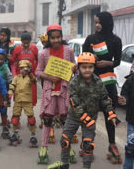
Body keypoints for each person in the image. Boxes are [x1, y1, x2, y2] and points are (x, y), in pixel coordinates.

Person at [47, 52, 119, 169]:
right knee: (65, 141)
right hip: (74, 117)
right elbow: (75, 103)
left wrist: (111, 114)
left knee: (88, 145)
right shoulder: (74, 82)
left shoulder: (98, 82)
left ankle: (86, 167)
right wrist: (86, 119)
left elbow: (105, 99)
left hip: (91, 118)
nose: (87, 70)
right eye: (84, 67)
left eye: (90, 67)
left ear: (94, 67)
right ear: (79, 67)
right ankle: (64, 164)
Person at [82, 11, 123, 163]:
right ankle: (87, 144)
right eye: (96, 23)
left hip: (108, 82)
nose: (97, 25)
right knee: (89, 114)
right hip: (90, 80)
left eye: (100, 22)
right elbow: (83, 58)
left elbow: (118, 61)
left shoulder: (116, 40)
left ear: (107, 23)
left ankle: (112, 145)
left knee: (109, 114)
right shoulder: (90, 39)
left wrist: (108, 63)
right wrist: (91, 61)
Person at [36, 24, 76, 164]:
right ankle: (44, 148)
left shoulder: (68, 50)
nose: (55, 40)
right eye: (52, 38)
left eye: (58, 37)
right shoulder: (44, 53)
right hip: (50, 92)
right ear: (48, 38)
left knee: (66, 121)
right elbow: (38, 71)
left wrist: (74, 69)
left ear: (61, 36)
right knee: (47, 120)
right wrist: (48, 77)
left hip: (64, 91)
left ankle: (68, 147)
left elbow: (73, 66)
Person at [8, 60, 38, 148]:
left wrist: (31, 73)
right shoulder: (16, 77)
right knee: (15, 118)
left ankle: (33, 135)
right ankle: (15, 134)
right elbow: (12, 86)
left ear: (29, 69)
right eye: (21, 68)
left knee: (31, 119)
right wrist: (9, 97)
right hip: (18, 101)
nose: (23, 70)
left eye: (25, 68)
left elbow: (34, 81)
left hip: (27, 101)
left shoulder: (30, 77)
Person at [12, 31, 38, 105]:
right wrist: (14, 74)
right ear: (21, 42)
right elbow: (13, 62)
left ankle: (30, 111)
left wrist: (35, 70)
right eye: (24, 43)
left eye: (27, 43)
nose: (26, 45)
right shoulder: (17, 49)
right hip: (19, 75)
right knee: (19, 92)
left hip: (31, 75)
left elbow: (38, 60)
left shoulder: (34, 48)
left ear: (30, 41)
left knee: (31, 93)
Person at [0, 48, 13, 139]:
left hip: (2, 91)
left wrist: (12, 86)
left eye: (2, 59)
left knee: (3, 109)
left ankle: (5, 126)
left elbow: (10, 77)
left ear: (4, 59)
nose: (0, 61)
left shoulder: (5, 67)